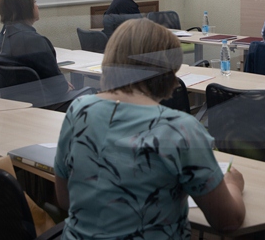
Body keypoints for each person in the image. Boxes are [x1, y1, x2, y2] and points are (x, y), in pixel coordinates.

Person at [54, 18, 246, 239]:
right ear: (168, 71)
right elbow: (228, 221)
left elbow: (65, 199)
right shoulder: (180, 129)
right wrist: (233, 185)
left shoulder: (79, 110)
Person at [0, 0, 80, 111]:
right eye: (34, 2)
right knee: (93, 95)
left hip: (20, 107)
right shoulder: (35, 41)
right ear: (24, 8)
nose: (37, 6)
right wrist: (64, 85)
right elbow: (59, 88)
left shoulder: (2, 38)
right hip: (49, 106)